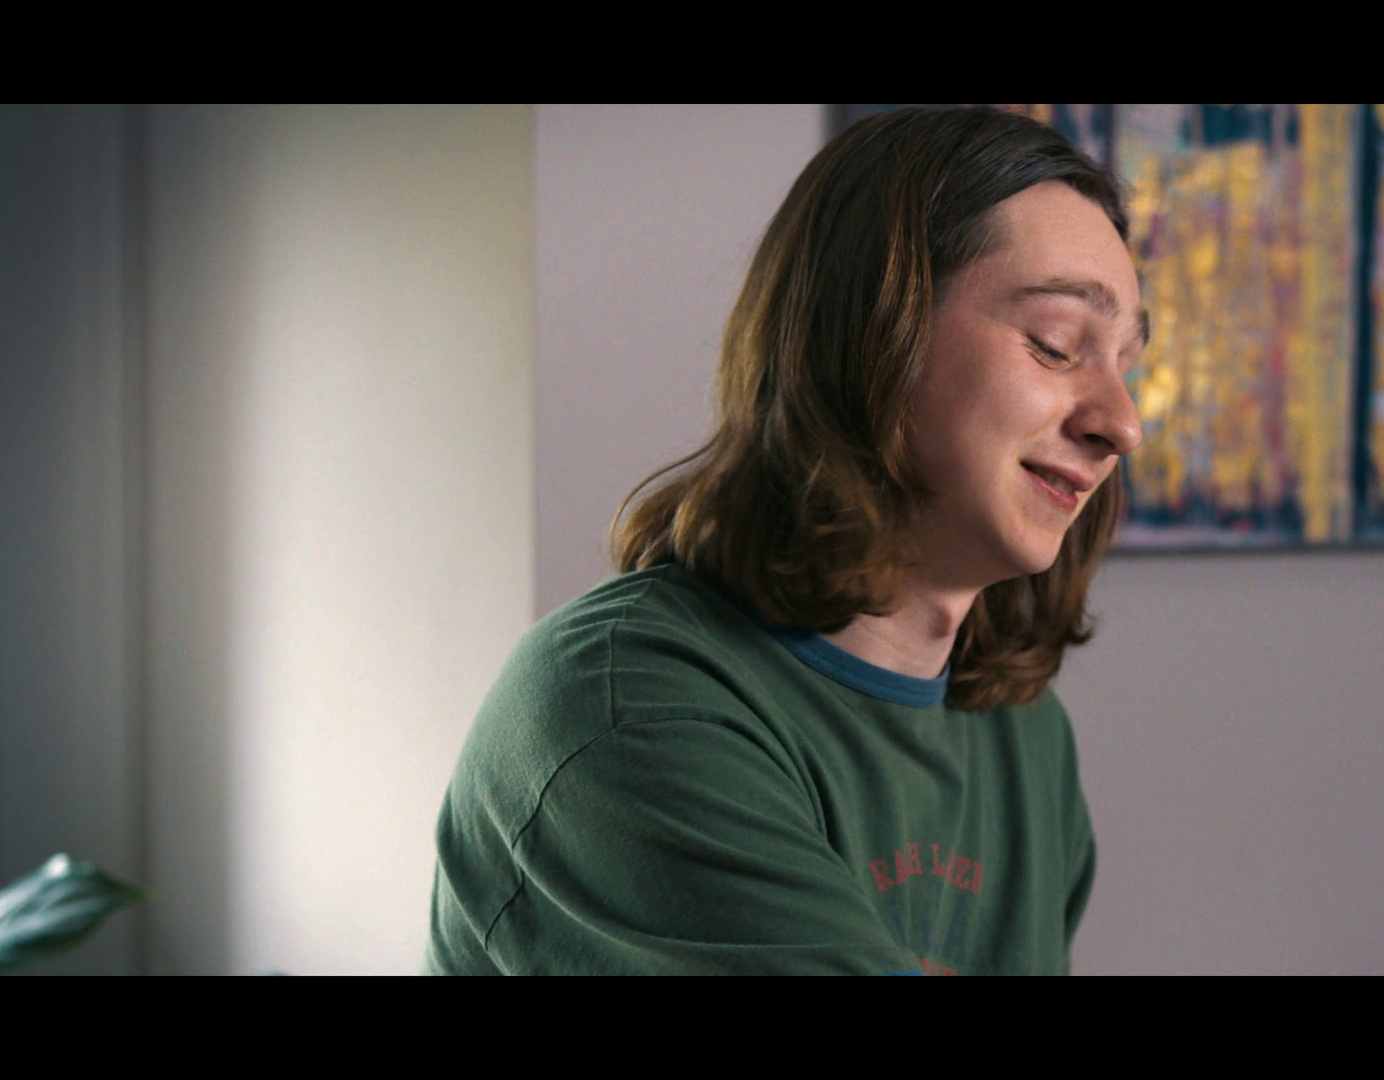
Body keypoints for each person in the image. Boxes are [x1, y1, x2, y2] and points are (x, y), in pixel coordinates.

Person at [425, 107, 1146, 975]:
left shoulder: (1022, 736)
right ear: (874, 331)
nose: (1122, 424)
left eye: (1127, 363)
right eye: (1056, 344)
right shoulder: (625, 710)